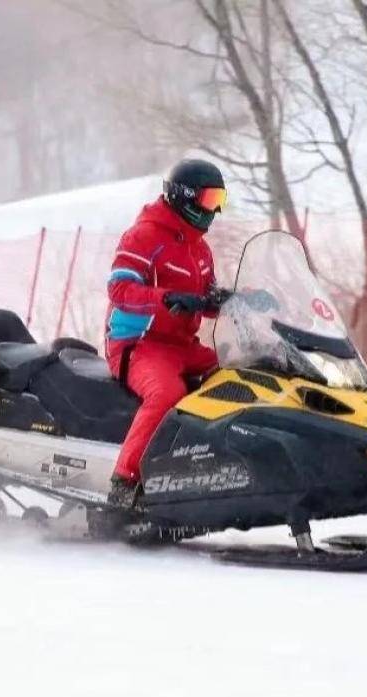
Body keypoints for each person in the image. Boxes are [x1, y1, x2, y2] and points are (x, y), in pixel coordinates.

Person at [104, 158, 228, 508]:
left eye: (221, 200)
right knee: (167, 393)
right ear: (183, 197)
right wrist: (167, 298)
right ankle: (124, 484)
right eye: (209, 200)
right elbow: (120, 291)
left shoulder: (199, 249)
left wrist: (234, 301)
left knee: (239, 373)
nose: (215, 210)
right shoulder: (144, 236)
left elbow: (206, 300)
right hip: (139, 345)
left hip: (183, 346)